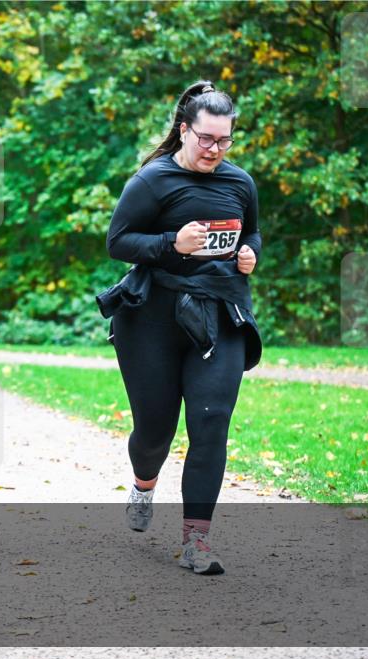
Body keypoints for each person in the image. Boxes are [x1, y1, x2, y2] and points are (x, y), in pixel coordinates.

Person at [98, 80, 262, 575]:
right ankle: (144, 482)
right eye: (206, 139)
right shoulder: (152, 181)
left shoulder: (240, 183)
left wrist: (252, 252)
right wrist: (173, 242)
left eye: (225, 140)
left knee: (211, 422)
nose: (215, 149)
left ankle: (197, 541)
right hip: (152, 320)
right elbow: (118, 242)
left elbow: (249, 230)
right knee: (155, 432)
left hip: (220, 315)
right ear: (184, 130)